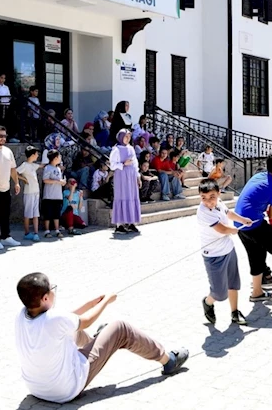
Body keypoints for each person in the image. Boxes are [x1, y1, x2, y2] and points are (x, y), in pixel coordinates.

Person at [14, 273, 189, 404]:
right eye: (52, 290)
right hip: (65, 390)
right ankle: (169, 360)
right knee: (121, 328)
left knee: (72, 331)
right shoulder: (55, 319)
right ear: (45, 298)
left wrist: (91, 304)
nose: (54, 292)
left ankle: (100, 340)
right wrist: (107, 301)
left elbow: (67, 319)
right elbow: (87, 321)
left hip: (36, 388)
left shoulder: (22, 315)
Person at [233, 150, 272, 311]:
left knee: (256, 254)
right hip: (254, 224)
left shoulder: (258, 176)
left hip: (239, 223)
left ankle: (257, 292)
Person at [197, 179, 254, 325]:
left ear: (218, 194)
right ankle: (208, 302)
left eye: (212, 197)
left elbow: (228, 213)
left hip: (228, 250)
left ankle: (235, 312)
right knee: (219, 293)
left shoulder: (219, 203)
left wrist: (242, 220)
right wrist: (232, 230)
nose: (208, 201)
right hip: (214, 255)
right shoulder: (203, 211)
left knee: (234, 283)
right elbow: (222, 229)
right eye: (204, 198)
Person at [109, 129, 142, 234]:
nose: (128, 139)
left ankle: (131, 222)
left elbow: (135, 164)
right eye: (126, 136)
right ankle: (119, 225)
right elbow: (112, 165)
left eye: (129, 137)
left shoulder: (131, 148)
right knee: (122, 197)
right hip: (122, 176)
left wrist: (138, 177)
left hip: (131, 176)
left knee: (132, 197)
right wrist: (123, 164)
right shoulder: (116, 150)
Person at [17, 146, 42, 242]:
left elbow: (41, 165)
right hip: (29, 192)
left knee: (36, 213)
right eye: (36, 154)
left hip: (36, 191)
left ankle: (36, 233)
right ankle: (27, 233)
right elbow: (15, 172)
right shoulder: (25, 165)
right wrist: (24, 179)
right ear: (32, 155)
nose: (37, 155)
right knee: (28, 213)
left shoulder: (32, 165)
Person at [42, 151, 67, 239]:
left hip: (58, 194)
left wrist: (62, 182)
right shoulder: (48, 168)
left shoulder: (58, 169)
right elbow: (45, 180)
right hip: (49, 195)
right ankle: (47, 230)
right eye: (59, 157)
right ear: (55, 158)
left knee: (57, 213)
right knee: (48, 213)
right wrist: (57, 181)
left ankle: (57, 230)